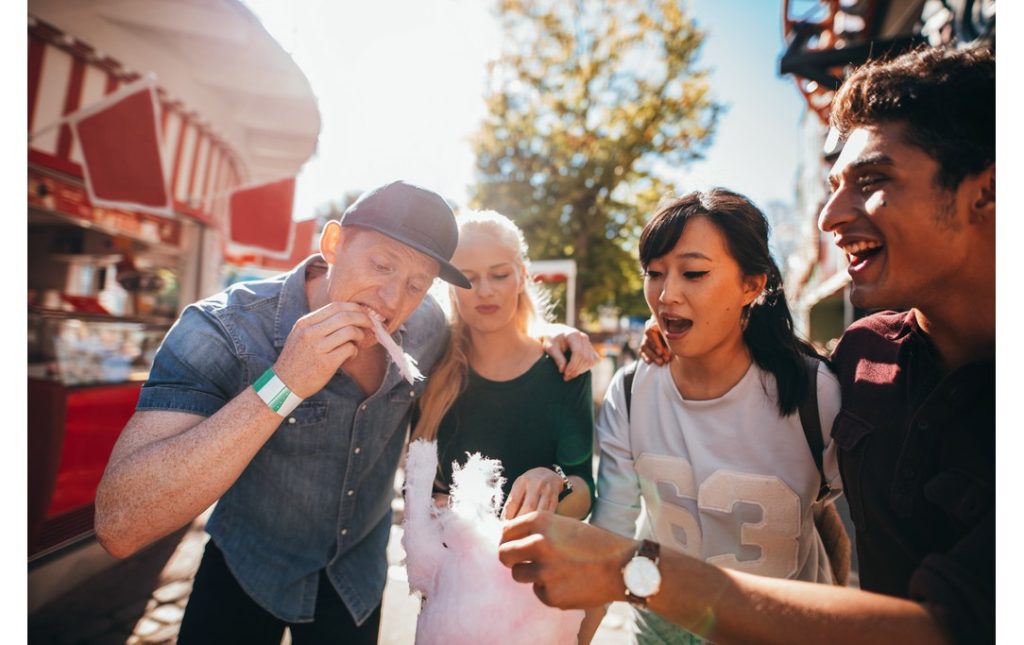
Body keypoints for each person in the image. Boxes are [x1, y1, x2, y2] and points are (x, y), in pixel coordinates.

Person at [498, 43, 994, 644]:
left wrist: (629, 569)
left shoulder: (816, 391)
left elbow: (950, 627)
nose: (829, 215)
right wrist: (552, 331)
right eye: (655, 273)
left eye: (872, 179)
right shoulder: (864, 357)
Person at [93, 180, 594, 644]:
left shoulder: (426, 330)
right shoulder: (223, 332)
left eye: (418, 284)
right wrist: (284, 383)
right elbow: (119, 523)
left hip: (353, 585)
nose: (394, 299)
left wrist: (552, 338)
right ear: (333, 244)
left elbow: (484, 346)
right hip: (245, 570)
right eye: (382, 265)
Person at [580, 189, 845, 644]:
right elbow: (611, 540)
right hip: (661, 630)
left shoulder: (815, 394)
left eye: (694, 273)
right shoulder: (630, 390)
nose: (666, 295)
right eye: (655, 273)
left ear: (752, 285)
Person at [412, 209, 594, 520]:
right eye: (468, 278)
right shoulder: (430, 366)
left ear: (522, 275)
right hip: (450, 564)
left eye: (499, 274)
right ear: (451, 286)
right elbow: (419, 490)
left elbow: (584, 485)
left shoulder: (564, 367)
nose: (485, 290)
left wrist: (554, 485)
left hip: (535, 563)